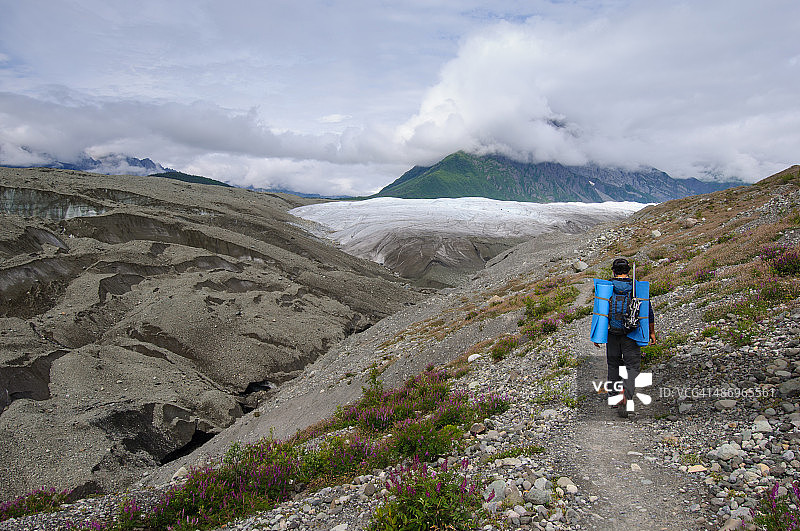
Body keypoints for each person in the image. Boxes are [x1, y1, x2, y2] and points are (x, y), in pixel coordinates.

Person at [594, 257, 656, 418]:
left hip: (612, 333)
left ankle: (614, 396)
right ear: (628, 271)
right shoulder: (636, 287)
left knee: (613, 365)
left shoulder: (606, 287)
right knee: (632, 367)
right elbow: (647, 311)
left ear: (613, 271)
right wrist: (651, 332)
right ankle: (626, 394)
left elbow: (599, 311)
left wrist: (597, 335)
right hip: (632, 334)